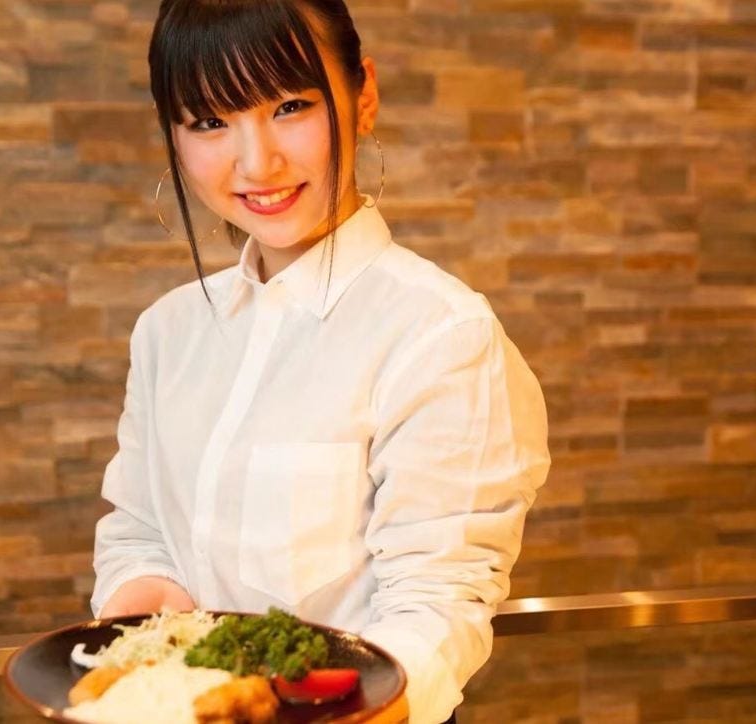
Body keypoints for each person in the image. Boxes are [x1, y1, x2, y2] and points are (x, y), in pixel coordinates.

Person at [90, 2, 550, 722]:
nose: (256, 162)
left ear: (362, 97)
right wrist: (147, 617)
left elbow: (436, 606)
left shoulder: (440, 335)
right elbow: (140, 530)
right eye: (209, 121)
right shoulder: (167, 332)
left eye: (290, 106)